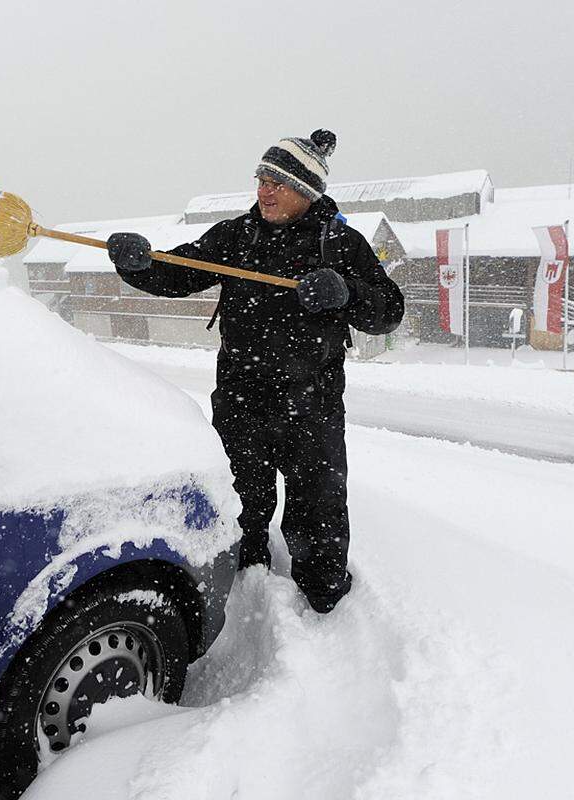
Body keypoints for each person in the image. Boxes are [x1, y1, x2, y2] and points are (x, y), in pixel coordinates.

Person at [106, 129, 403, 613]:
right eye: (261, 178)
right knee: (241, 498)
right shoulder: (236, 237)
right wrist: (137, 264)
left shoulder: (340, 244)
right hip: (241, 398)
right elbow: (177, 271)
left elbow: (389, 310)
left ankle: (324, 593)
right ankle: (245, 577)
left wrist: (346, 291)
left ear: (306, 192)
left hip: (313, 403)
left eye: (277, 183)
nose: (264, 191)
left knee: (318, 504)